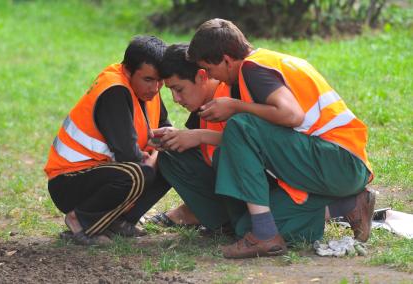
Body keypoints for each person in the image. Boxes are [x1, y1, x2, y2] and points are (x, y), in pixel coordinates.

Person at [187, 19, 375, 258]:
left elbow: (291, 114)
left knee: (240, 126)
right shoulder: (266, 61)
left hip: (339, 161)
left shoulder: (253, 69)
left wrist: (236, 106)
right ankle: (347, 204)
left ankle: (265, 236)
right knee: (245, 226)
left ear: (226, 59)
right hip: (335, 165)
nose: (217, 79)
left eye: (211, 70)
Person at [44, 35, 172, 245]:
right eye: (148, 79)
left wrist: (158, 153)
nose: (155, 87)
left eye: (160, 81)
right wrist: (157, 153)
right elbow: (129, 155)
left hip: (105, 174)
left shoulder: (148, 89)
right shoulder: (115, 90)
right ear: (128, 71)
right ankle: (80, 220)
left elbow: (165, 129)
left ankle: (118, 221)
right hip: (69, 182)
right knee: (139, 173)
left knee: (171, 162)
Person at [147, 43, 233, 231]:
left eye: (179, 89)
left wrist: (200, 136)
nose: (175, 99)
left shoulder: (231, 96)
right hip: (229, 184)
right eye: (170, 91)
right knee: (171, 154)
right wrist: (177, 137)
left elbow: (254, 143)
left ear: (202, 76)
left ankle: (234, 219)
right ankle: (215, 218)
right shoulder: (200, 108)